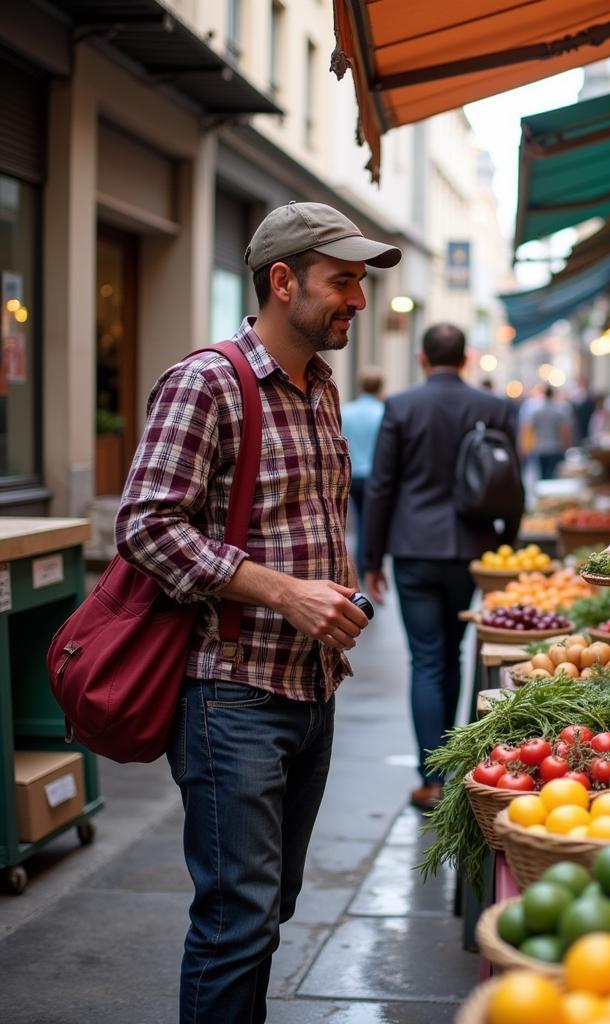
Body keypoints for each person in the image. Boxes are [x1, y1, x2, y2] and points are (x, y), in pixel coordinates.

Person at [116, 200, 399, 1023]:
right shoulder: (207, 381)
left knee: (269, 910)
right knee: (236, 923)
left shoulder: (318, 386)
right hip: (229, 696)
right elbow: (144, 526)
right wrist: (283, 592)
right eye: (342, 280)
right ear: (283, 281)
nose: (359, 299)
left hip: (309, 690)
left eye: (360, 282)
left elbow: (298, 521)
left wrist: (336, 592)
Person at [361, 324, 520, 811]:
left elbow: (382, 487)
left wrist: (371, 558)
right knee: (451, 653)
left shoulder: (402, 406)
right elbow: (511, 484)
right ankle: (453, 763)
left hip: (414, 547)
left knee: (427, 659)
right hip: (472, 546)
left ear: (422, 358)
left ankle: (432, 778)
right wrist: (504, 546)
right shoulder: (494, 407)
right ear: (467, 358)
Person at [341, 366, 386, 578]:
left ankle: (360, 562)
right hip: (374, 475)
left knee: (359, 521)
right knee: (370, 521)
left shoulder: (347, 411)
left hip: (353, 475)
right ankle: (367, 562)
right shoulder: (382, 413)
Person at [529, 385, 574, 479]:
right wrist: (567, 446)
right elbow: (564, 431)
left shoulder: (536, 412)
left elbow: (531, 430)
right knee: (552, 477)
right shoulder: (558, 412)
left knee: (542, 475)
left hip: (540, 447)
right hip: (555, 447)